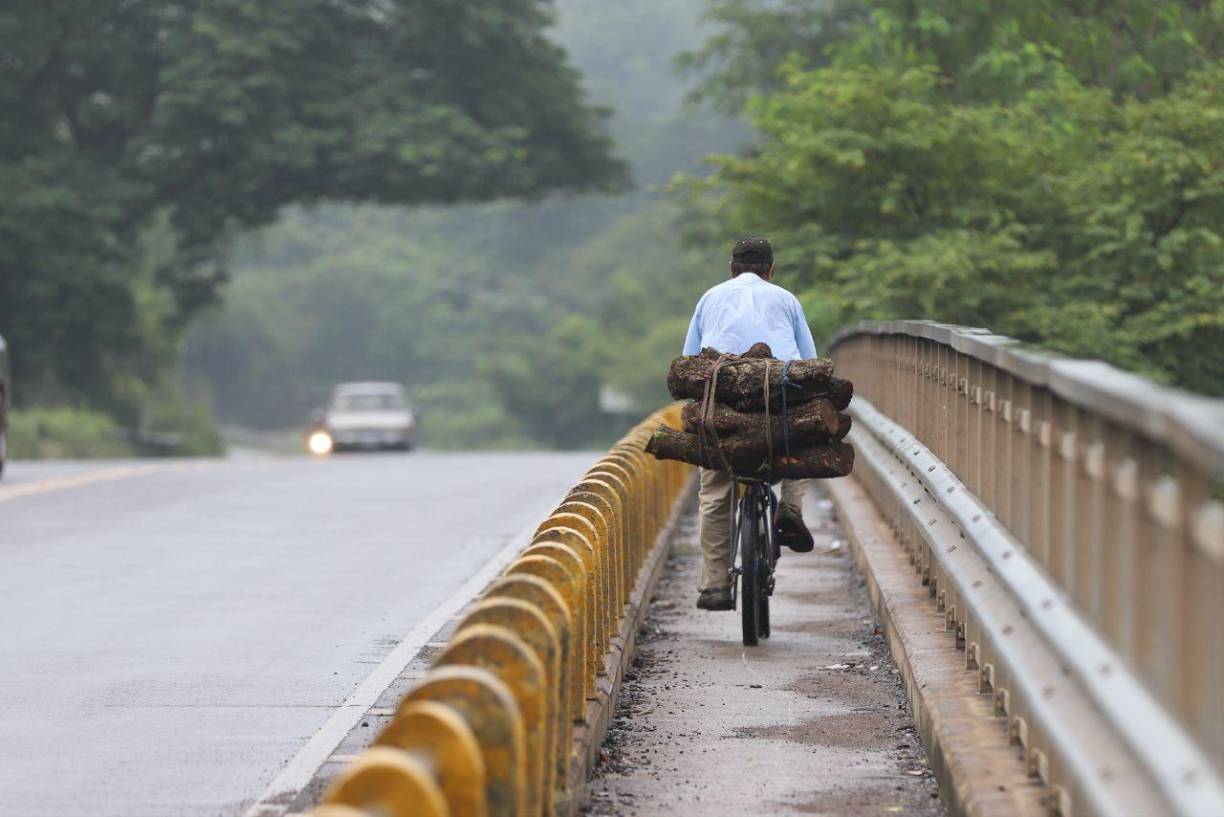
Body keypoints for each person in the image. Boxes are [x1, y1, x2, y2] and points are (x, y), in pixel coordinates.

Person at [681, 236, 818, 611]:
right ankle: (791, 507)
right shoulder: (786, 299)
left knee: (714, 490)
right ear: (771, 271)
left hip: (724, 402)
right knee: (798, 434)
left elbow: (689, 360)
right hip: (776, 394)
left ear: (732, 269)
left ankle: (714, 586)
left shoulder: (710, 297)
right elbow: (809, 361)